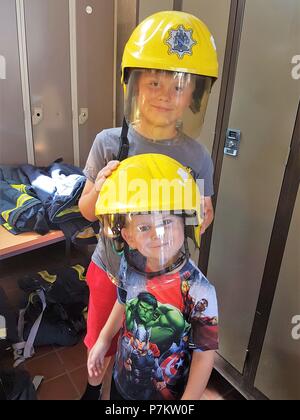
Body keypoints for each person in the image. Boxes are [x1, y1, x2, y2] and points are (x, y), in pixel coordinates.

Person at [78, 10, 219, 399]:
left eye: (178, 86)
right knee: (100, 342)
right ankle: (92, 390)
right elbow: (87, 211)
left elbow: (198, 218)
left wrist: (205, 214)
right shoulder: (109, 142)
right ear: (136, 85)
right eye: (154, 81)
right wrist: (100, 187)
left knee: (150, 350)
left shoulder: (197, 155)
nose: (164, 94)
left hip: (164, 280)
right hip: (110, 270)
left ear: (194, 96)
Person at [87, 153, 219, 400]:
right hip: (122, 382)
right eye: (144, 227)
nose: (158, 235)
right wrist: (104, 340)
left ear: (185, 222)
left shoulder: (199, 290)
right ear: (128, 236)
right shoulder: (130, 263)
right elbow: (123, 301)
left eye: (167, 222)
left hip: (167, 395)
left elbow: (204, 355)